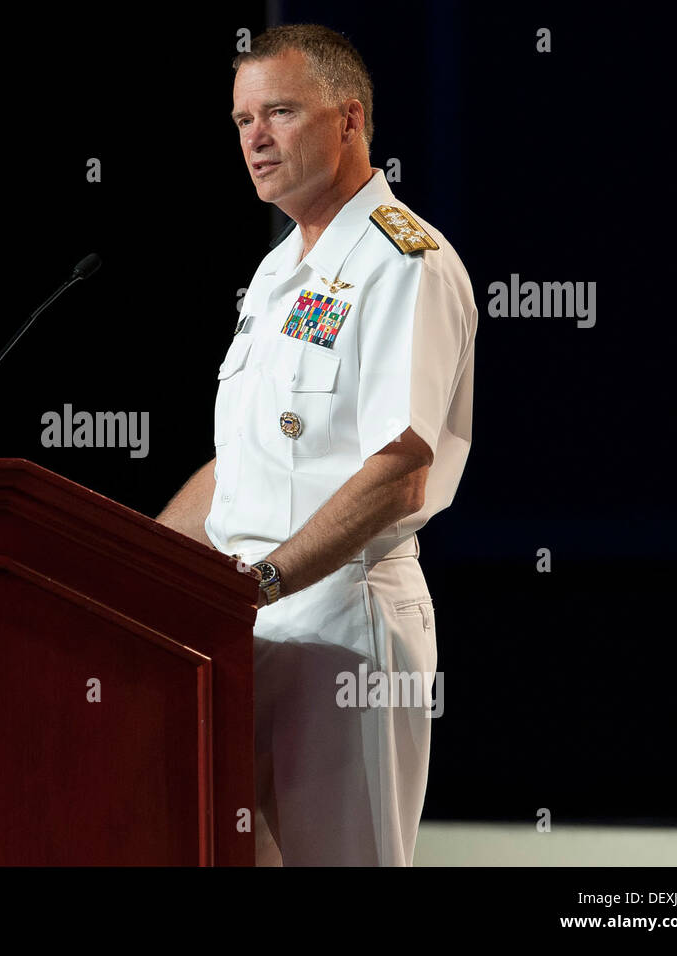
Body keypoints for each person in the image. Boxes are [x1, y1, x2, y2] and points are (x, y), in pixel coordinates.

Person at [156, 23, 476, 866]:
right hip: (248, 625)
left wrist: (261, 581)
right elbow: (246, 464)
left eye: (280, 113)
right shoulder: (275, 274)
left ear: (349, 119)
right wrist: (141, 567)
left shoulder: (405, 262)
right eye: (241, 120)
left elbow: (401, 472)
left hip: (345, 625)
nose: (254, 138)